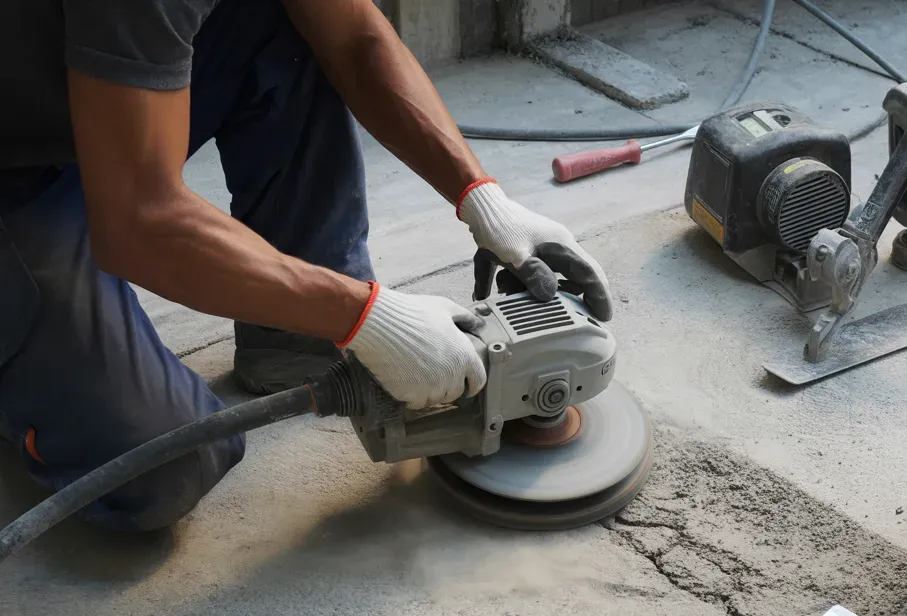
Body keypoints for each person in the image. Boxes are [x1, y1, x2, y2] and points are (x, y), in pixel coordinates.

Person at [0, 0, 612, 533]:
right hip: (17, 176)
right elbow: (139, 220)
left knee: (286, 21)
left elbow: (354, 37)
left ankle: (292, 332)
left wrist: (483, 199)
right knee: (160, 471)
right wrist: (367, 316)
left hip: (84, 105)